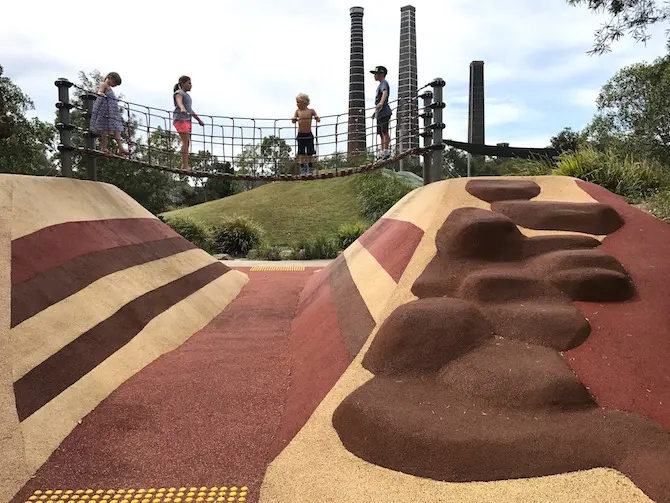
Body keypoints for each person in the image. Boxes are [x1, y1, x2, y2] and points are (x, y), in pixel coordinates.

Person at [91, 72, 128, 155]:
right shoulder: (103, 84)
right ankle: (104, 147)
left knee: (117, 129)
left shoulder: (109, 87)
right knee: (105, 130)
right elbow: (100, 92)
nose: (114, 85)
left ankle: (120, 148)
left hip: (111, 112)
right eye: (115, 83)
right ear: (110, 78)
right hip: (105, 111)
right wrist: (102, 95)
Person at [173, 75, 204, 171]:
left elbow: (190, 110)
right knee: (185, 142)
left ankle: (184, 165)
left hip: (187, 121)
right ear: (182, 84)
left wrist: (198, 120)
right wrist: (182, 108)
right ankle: (185, 166)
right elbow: (179, 101)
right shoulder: (179, 92)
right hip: (180, 120)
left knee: (187, 143)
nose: (191, 85)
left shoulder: (188, 96)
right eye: (189, 83)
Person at [292, 93, 320, 175]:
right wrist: (294, 119)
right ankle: (302, 169)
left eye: (298, 102)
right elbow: (293, 121)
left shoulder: (311, 111)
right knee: (301, 152)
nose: (297, 104)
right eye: (296, 102)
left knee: (309, 152)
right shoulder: (297, 112)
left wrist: (317, 117)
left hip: (308, 134)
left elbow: (317, 118)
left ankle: (310, 168)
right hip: (300, 134)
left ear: (304, 102)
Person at [370, 65, 392, 159]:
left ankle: (385, 151)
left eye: (376, 74)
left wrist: (381, 103)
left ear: (381, 74)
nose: (374, 76)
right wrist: (375, 112)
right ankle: (382, 150)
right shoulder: (380, 84)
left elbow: (384, 92)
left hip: (384, 111)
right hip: (380, 113)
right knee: (380, 133)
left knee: (384, 131)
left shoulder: (384, 83)